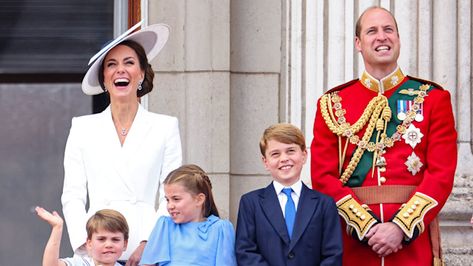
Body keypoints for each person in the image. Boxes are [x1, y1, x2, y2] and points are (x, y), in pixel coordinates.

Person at [311, 6, 457, 266]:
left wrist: (401, 227)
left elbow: (441, 174)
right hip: (354, 245)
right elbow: (323, 177)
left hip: (411, 245)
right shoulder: (332, 104)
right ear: (358, 43)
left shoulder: (433, 98)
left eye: (388, 30)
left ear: (398, 39)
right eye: (372, 31)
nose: (382, 37)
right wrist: (365, 226)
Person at [61, 22, 182, 266]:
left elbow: (172, 193)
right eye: (112, 65)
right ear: (104, 79)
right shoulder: (82, 127)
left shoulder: (165, 127)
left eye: (129, 63)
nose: (121, 70)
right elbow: (72, 194)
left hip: (145, 245)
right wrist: (85, 242)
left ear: (141, 73)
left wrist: (150, 243)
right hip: (97, 243)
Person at [236, 123, 343, 265]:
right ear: (265, 162)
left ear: (304, 155)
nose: (284, 158)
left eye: (290, 151)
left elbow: (333, 254)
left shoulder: (324, 204)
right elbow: (245, 252)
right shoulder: (251, 203)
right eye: (275, 154)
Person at [139, 164, 237, 266]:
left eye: (176, 199)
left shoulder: (220, 229)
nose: (170, 206)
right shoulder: (164, 226)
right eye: (167, 200)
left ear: (199, 199)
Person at [36, 206, 128, 266]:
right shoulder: (81, 263)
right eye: (101, 239)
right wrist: (57, 228)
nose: (108, 245)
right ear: (89, 243)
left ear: (125, 244)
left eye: (115, 239)